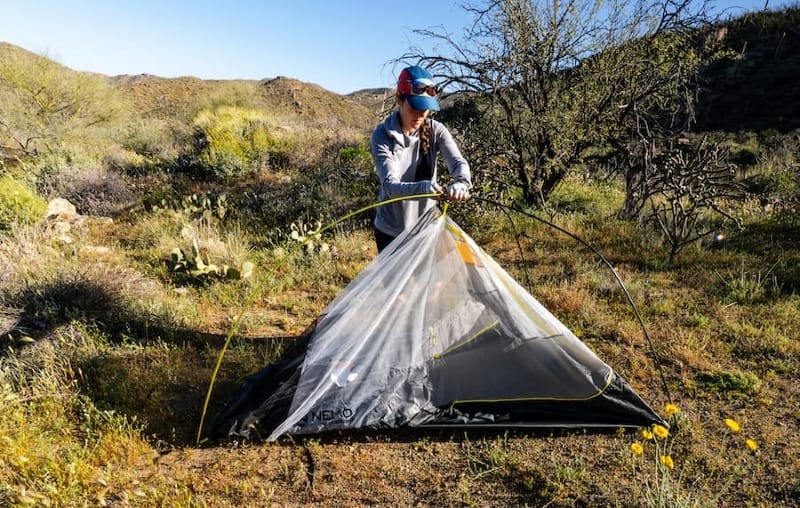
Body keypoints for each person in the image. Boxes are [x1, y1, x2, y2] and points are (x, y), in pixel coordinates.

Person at [370, 65, 472, 253]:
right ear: (400, 99)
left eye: (425, 109)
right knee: (397, 283)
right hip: (391, 232)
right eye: (415, 107)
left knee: (428, 281)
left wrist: (462, 183)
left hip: (426, 227)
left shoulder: (436, 131)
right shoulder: (382, 135)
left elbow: (458, 163)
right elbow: (391, 187)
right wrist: (425, 188)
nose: (420, 115)